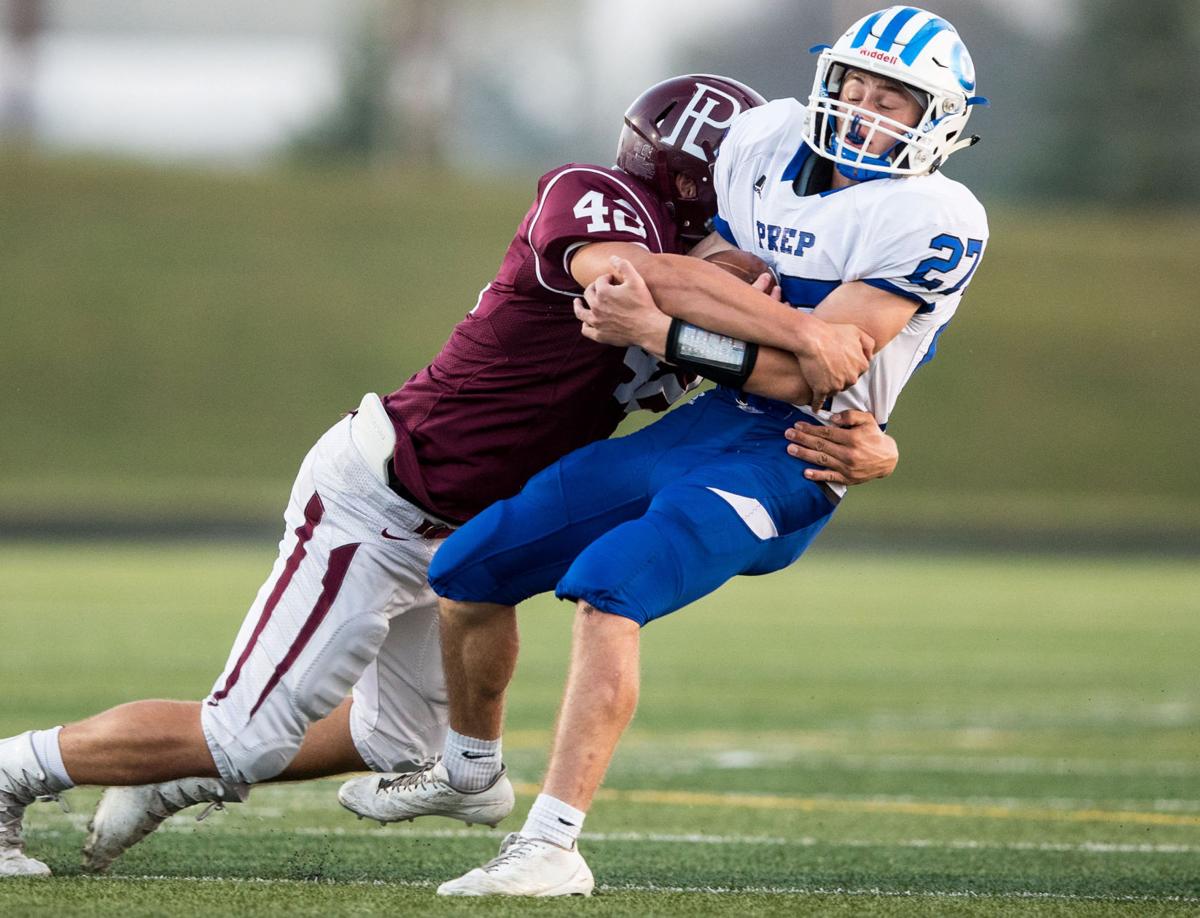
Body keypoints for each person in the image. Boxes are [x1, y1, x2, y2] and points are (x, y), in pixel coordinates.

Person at [0, 74, 896, 879]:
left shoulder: (728, 271)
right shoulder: (592, 194)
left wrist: (874, 442)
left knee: (393, 735)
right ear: (708, 168)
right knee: (244, 733)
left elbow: (778, 379)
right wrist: (785, 318)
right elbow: (630, 275)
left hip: (461, 521)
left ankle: (179, 775)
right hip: (385, 493)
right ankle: (16, 774)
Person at [338, 6, 989, 897]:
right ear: (826, 79)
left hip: (796, 452)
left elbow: (807, 378)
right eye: (857, 85)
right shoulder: (762, 142)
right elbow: (677, 268)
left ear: (940, 123)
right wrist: (702, 308)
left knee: (613, 584)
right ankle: (469, 773)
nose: (868, 109)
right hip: (707, 423)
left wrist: (665, 330)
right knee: (467, 567)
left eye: (896, 100)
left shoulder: (934, 216)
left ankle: (553, 847)